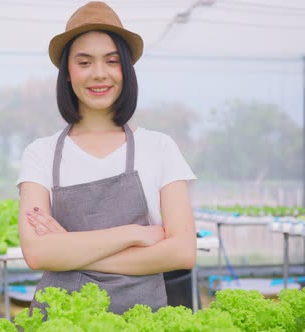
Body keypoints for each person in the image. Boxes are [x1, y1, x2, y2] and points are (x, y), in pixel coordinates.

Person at [16, 1, 197, 315]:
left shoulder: (159, 147)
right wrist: (133, 235)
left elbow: (182, 251)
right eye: (84, 62)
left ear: (125, 70)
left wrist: (71, 249)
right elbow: (36, 252)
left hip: (140, 320)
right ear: (67, 73)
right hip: (61, 320)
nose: (99, 74)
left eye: (111, 61)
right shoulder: (40, 153)